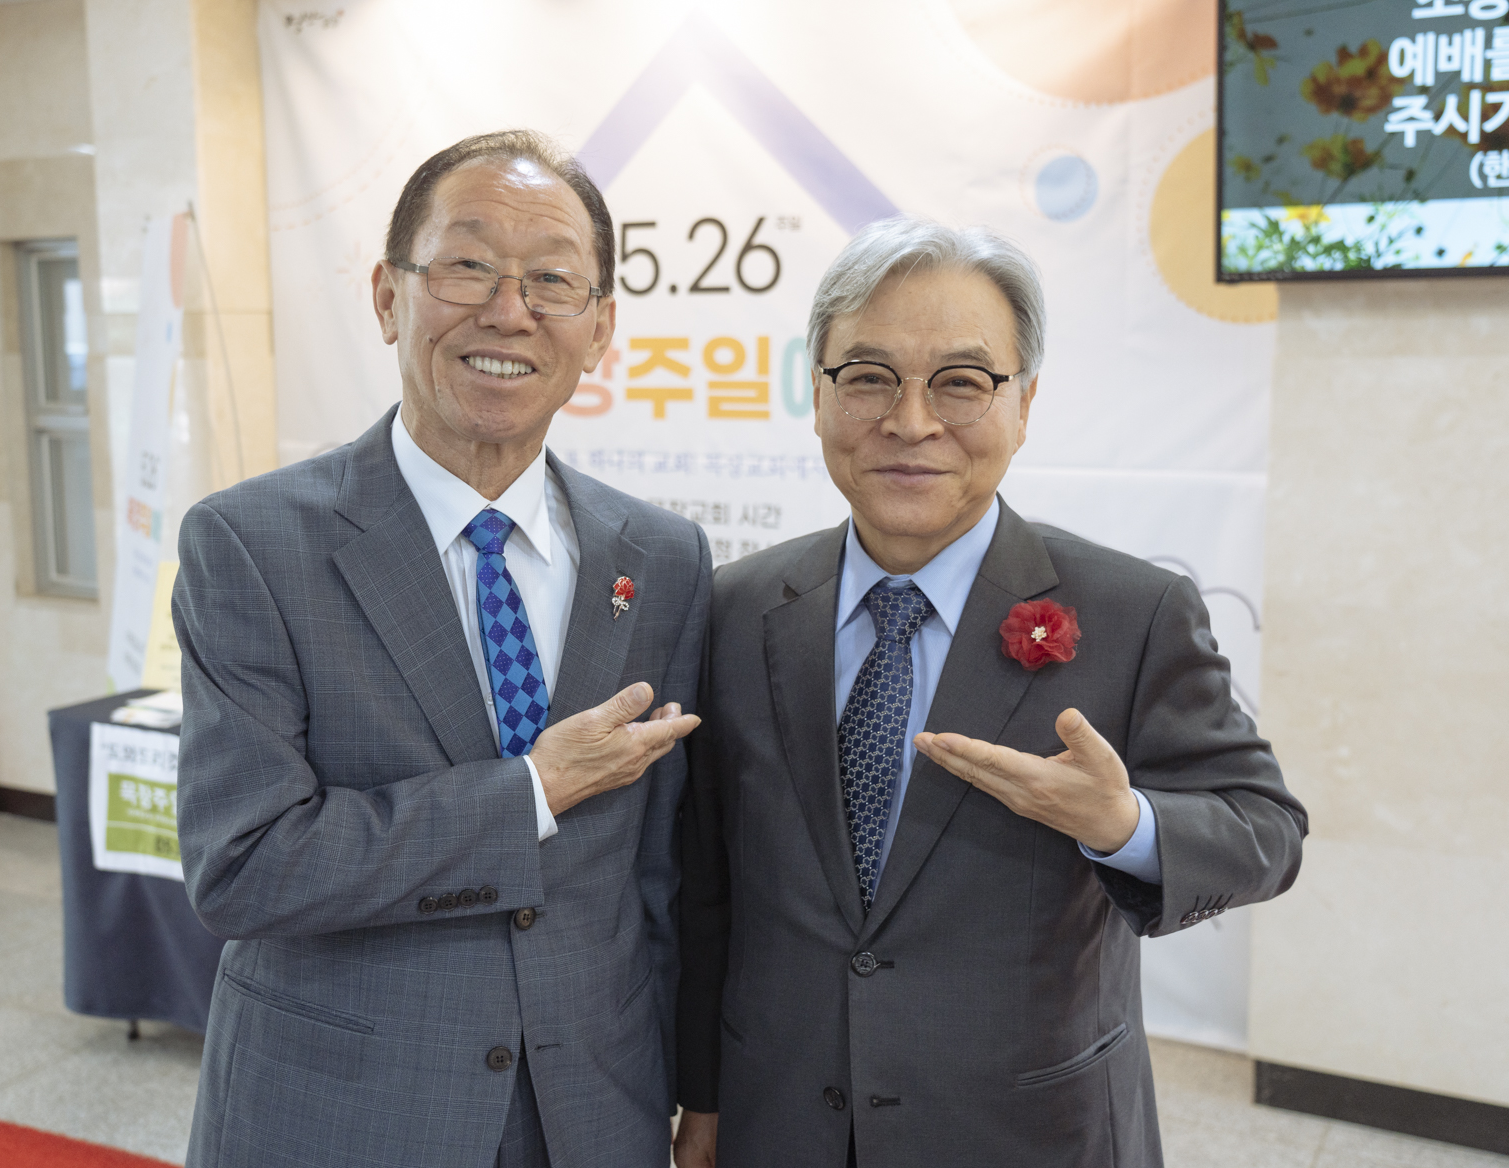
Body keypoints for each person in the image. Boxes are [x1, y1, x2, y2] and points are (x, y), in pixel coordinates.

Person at [670, 216, 1306, 1168]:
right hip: (785, 1118)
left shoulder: (1132, 612)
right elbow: (709, 888)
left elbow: (1266, 829)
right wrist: (706, 1098)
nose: (910, 422)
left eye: (961, 382)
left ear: (1024, 402)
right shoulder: (738, 606)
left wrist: (1124, 824)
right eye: (869, 376)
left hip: (1027, 1129)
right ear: (818, 391)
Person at [173, 130, 711, 1168]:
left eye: (551, 279)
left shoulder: (663, 558)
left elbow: (659, 877)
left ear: (599, 328)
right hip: (345, 1113)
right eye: (468, 266)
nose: (509, 311)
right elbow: (243, 868)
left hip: (596, 1109)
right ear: (388, 297)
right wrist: (530, 793)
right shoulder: (252, 544)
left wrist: (695, 1089)